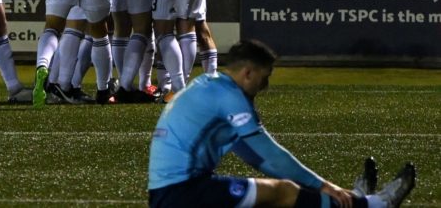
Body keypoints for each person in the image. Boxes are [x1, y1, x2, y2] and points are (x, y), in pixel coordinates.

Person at [148, 39, 416, 208]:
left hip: (171, 191)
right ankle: (373, 204)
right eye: (264, 78)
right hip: (182, 193)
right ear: (248, 73)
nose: (265, 86)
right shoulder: (230, 97)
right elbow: (268, 156)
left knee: (273, 196)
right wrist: (322, 185)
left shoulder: (208, 85)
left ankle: (354, 201)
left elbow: (250, 153)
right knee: (284, 192)